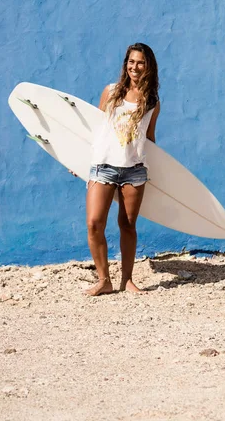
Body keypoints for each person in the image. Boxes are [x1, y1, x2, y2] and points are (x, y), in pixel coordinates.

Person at [80, 43, 160, 296]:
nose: (135, 67)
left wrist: (153, 171)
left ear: (148, 67)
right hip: (103, 165)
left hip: (134, 170)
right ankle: (104, 279)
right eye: (131, 62)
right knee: (94, 223)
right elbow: (96, 129)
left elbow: (150, 138)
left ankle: (127, 279)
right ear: (126, 64)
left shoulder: (152, 102)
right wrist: (78, 160)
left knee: (127, 225)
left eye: (141, 63)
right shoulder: (111, 91)